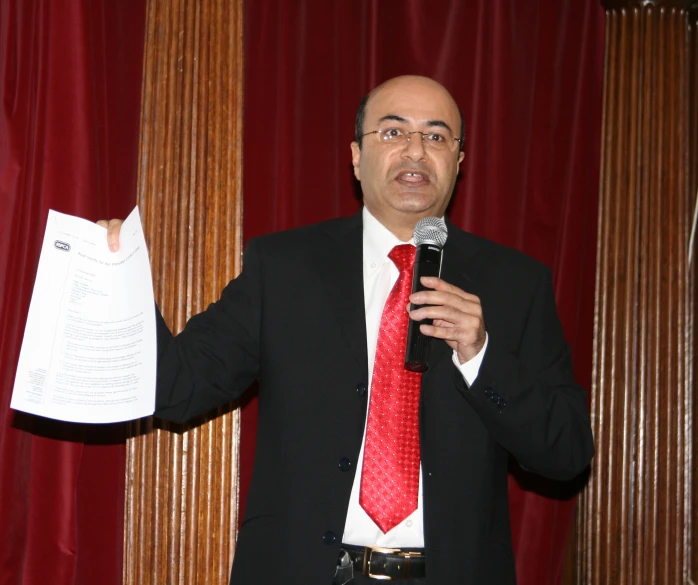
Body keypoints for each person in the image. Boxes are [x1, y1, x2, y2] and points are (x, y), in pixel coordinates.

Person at [101, 75, 594, 585]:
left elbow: (567, 454)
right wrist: (120, 286)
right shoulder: (285, 269)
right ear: (356, 156)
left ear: (459, 162)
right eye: (393, 132)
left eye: (436, 136)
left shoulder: (514, 284)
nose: (416, 151)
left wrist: (480, 354)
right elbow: (175, 389)